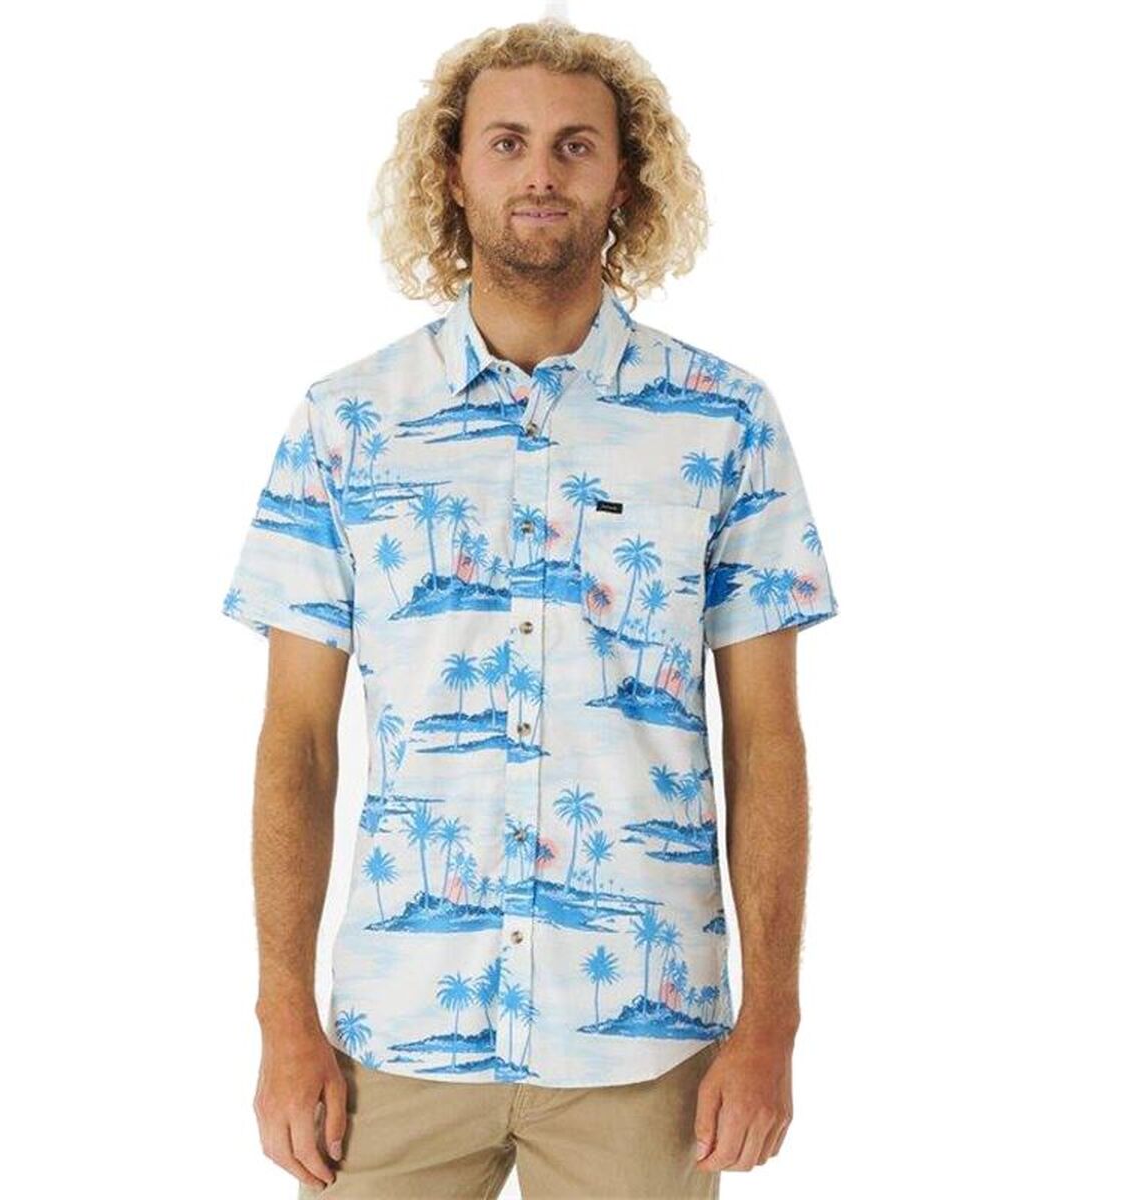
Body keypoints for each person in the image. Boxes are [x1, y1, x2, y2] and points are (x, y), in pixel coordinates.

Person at [221, 16, 839, 1199]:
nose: (541, 173)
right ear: (454, 173)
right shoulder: (345, 424)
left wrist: (773, 1023)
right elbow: (296, 741)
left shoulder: (725, 421)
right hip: (396, 1038)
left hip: (648, 1057)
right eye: (506, 143)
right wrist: (283, 1019)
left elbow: (767, 736)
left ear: (626, 178)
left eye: (575, 145)